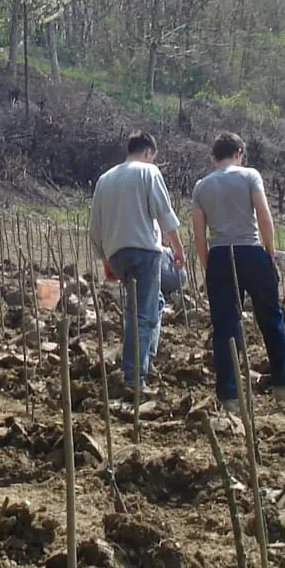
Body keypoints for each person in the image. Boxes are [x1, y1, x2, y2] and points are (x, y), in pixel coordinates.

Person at [191, 133, 285, 404]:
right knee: (270, 318)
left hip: (220, 254)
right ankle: (283, 382)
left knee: (225, 326)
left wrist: (209, 264)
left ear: (214, 157)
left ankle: (229, 395)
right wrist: (269, 250)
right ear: (239, 152)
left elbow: (199, 234)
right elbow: (264, 217)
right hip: (251, 251)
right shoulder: (250, 176)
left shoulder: (201, 186)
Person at [87, 131, 187, 397]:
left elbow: (94, 225)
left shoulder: (105, 179)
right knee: (142, 314)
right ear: (149, 153)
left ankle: (146, 362)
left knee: (152, 305)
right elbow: (164, 213)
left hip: (117, 254)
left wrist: (105, 259)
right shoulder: (148, 172)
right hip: (144, 252)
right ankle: (134, 377)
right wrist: (178, 248)